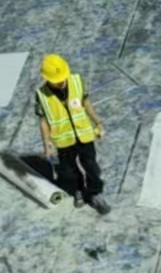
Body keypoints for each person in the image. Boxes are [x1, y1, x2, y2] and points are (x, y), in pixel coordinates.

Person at [37, 53, 111, 214]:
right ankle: (78, 190)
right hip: (64, 141)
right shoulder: (42, 95)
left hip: (84, 136)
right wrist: (47, 143)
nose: (62, 82)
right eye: (57, 80)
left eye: (63, 77)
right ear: (47, 79)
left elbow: (85, 102)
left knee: (91, 167)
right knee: (69, 170)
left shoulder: (76, 81)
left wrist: (98, 122)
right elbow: (43, 121)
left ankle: (94, 193)